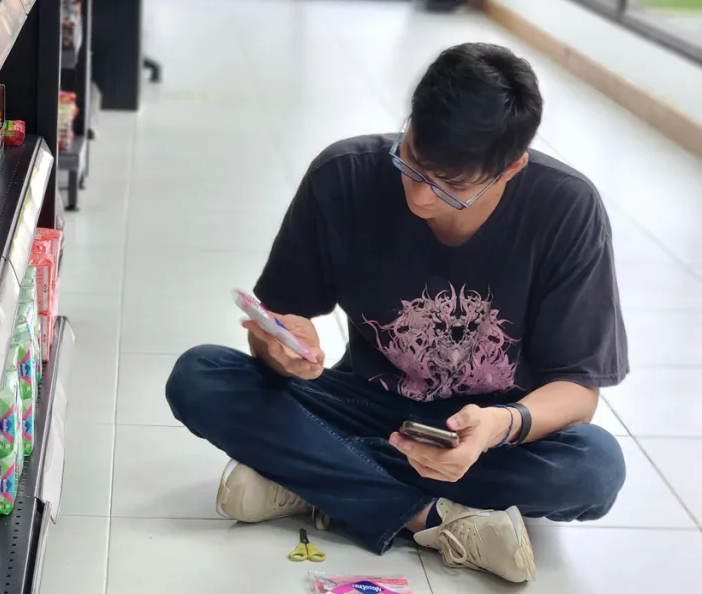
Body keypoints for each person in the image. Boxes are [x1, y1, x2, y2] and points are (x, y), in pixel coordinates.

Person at [166, 42, 628, 583]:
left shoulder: (566, 209)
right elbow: (278, 324)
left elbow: (578, 390)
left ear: (511, 168)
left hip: (483, 432)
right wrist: (283, 347)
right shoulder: (344, 175)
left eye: (452, 187)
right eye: (411, 163)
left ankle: (311, 477)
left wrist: (499, 425)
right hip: (365, 403)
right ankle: (430, 518)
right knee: (201, 376)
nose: (421, 198)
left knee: (595, 468)